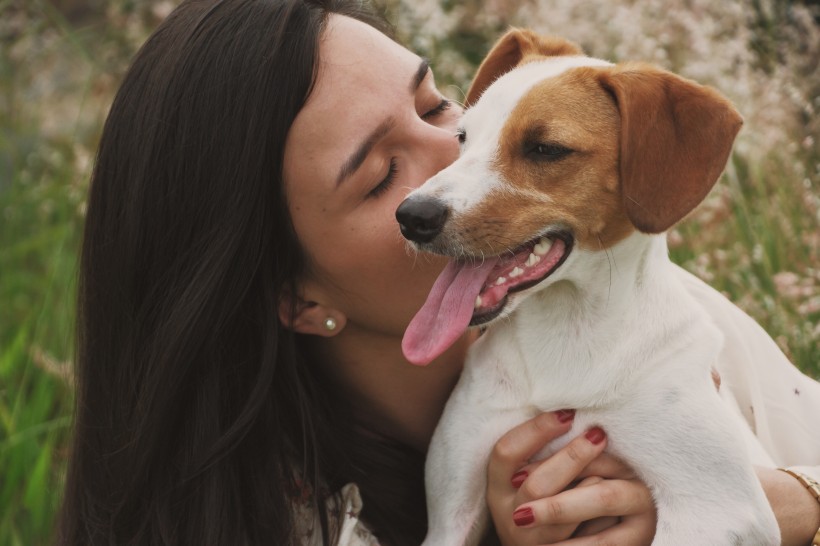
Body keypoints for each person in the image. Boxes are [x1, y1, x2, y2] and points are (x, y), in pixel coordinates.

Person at [56, 1, 820, 545]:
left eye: (443, 112)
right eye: (382, 173)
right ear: (293, 295)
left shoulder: (654, 310)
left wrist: (791, 502)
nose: (450, 171)